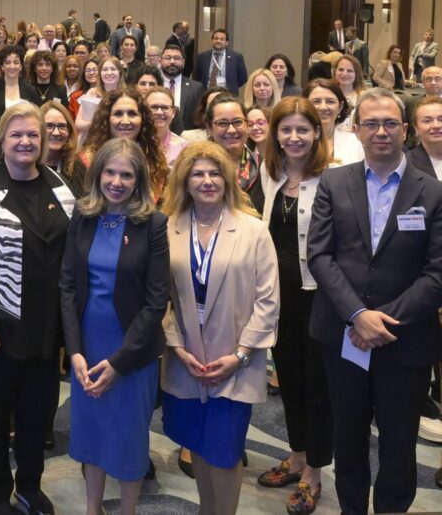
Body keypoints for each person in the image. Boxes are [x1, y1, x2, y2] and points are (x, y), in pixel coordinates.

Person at [308, 88, 442, 515]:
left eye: (389, 123)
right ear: (356, 129)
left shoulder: (434, 192)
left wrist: (381, 321)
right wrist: (357, 314)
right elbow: (320, 255)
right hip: (343, 335)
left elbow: (437, 271)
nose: (380, 132)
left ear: (405, 130)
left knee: (400, 443)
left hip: (406, 340)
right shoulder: (333, 181)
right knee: (347, 438)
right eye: (371, 124)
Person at [0, 102, 75, 514]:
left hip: (47, 327)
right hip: (0, 329)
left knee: (38, 413)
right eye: (17, 134)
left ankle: (29, 484)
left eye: (33, 135)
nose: (26, 141)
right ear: (1, 142)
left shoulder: (59, 186)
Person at [161, 141, 279, 515]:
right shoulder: (167, 228)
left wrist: (241, 355)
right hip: (186, 356)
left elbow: (268, 301)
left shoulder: (253, 230)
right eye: (198, 173)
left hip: (234, 359)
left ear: (228, 180)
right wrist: (176, 346)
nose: (207, 180)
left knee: (224, 450)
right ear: (185, 180)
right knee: (195, 441)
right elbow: (157, 298)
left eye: (215, 173)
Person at [60, 138, 170, 515]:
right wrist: (74, 350)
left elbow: (157, 302)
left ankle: (127, 510)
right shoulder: (83, 214)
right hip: (88, 345)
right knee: (90, 432)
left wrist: (120, 363)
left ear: (138, 180)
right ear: (98, 173)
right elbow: (68, 285)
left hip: (132, 352)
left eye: (126, 174)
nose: (117, 182)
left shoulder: (153, 224)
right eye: (110, 172)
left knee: (127, 439)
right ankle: (93, 508)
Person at [255, 97, 333, 515]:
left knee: (318, 386)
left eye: (303, 129)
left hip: (319, 298)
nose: (295, 137)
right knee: (289, 378)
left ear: (317, 133)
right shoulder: (270, 174)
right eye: (286, 129)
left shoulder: (334, 177)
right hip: (278, 297)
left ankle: (314, 472)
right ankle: (298, 454)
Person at [75, 89, 168, 200]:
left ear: (142, 120)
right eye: (118, 114)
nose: (125, 121)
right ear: (107, 119)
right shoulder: (86, 161)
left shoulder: (155, 162)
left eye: (132, 114)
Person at [205, 94, 264, 213]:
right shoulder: (197, 169)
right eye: (222, 123)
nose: (231, 130)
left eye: (237, 122)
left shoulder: (264, 167)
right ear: (209, 128)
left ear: (247, 125)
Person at [302, 79, 364, 165]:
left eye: (330, 101)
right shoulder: (296, 141)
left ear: (340, 107)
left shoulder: (355, 142)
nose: (323, 107)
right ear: (305, 106)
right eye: (316, 101)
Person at [0, 45, 35, 129]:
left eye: (16, 62)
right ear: (2, 66)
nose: (12, 66)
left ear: (21, 66)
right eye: (7, 62)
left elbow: (35, 119)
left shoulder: (30, 89)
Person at [192, 29, 248, 94]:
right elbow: (196, 77)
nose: (218, 41)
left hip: (228, 95)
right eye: (216, 38)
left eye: (222, 39)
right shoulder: (202, 57)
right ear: (212, 41)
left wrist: (232, 86)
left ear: (227, 43)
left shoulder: (236, 57)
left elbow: (243, 78)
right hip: (207, 94)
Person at [39, 102, 79, 190]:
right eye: (49, 126)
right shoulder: (28, 165)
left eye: (62, 126)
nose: (56, 133)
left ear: (69, 131)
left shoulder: (78, 167)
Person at [147, 86, 188, 165]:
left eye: (165, 107)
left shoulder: (184, 148)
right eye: (154, 107)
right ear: (145, 111)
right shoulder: (136, 144)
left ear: (173, 113)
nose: (159, 112)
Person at [333, 54, 365, 129]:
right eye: (341, 69)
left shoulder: (363, 97)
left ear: (356, 74)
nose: (344, 74)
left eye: (349, 71)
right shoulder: (328, 94)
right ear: (335, 72)